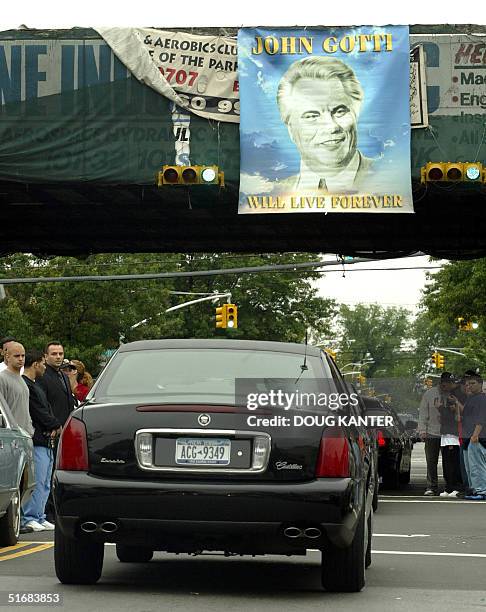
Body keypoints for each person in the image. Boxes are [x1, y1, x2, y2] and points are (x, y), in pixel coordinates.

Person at [276, 56, 374, 194]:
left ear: (355, 115)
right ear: (291, 129)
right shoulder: (273, 193)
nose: (331, 126)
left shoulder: (392, 179)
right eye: (311, 116)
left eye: (340, 111)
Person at [21, 350, 61, 532]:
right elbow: (37, 411)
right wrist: (54, 424)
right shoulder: (26, 385)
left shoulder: (36, 385)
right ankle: (29, 515)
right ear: (36, 364)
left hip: (47, 439)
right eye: (43, 363)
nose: (45, 367)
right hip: (37, 438)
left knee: (45, 480)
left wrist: (54, 425)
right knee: (37, 479)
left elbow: (47, 408)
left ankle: (39, 515)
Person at [418, 372, 457, 495]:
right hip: (432, 432)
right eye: (448, 383)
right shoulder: (429, 394)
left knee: (449, 462)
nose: (450, 385)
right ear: (442, 383)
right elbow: (423, 412)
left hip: (448, 433)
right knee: (431, 460)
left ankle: (449, 486)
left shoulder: (453, 394)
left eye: (451, 383)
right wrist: (422, 429)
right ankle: (431, 486)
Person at [459, 373, 486, 500]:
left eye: (472, 383)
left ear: (480, 384)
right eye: (468, 384)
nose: (469, 386)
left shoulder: (481, 398)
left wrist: (475, 435)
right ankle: (474, 489)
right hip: (467, 437)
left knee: (477, 466)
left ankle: (482, 490)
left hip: (476, 437)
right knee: (469, 466)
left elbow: (481, 419)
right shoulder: (470, 399)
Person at [37, 342, 77, 426]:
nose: (58, 357)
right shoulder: (41, 376)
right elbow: (41, 406)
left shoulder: (64, 376)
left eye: (61, 354)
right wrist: (52, 425)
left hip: (67, 425)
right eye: (54, 354)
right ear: (46, 356)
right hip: (52, 428)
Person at [437, 374, 463, 497]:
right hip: (446, 433)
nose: (443, 385)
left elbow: (455, 416)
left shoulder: (455, 395)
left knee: (453, 463)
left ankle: (455, 486)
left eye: (445, 383)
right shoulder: (447, 395)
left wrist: (443, 409)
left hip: (453, 435)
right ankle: (449, 487)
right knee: (447, 463)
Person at [0, 342, 32, 436]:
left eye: (23, 355)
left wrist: (30, 429)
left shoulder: (22, 379)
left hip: (25, 435)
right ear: (7, 357)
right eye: (17, 356)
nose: (21, 359)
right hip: (11, 436)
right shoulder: (2, 378)